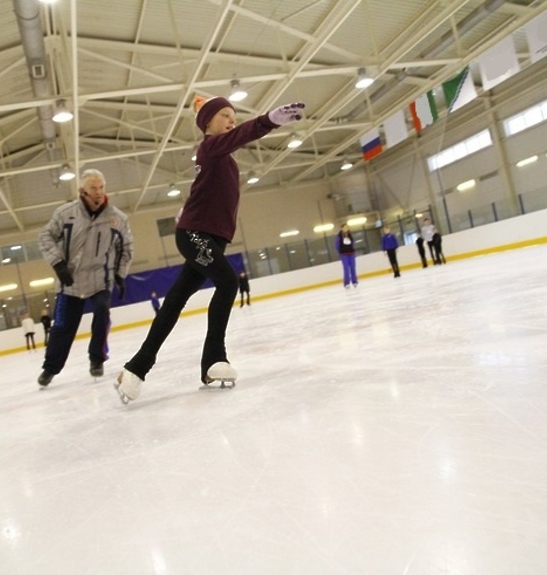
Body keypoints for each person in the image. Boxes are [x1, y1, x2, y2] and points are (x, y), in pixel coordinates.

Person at [115, 97, 306, 404]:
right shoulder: (212, 147)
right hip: (194, 235)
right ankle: (214, 358)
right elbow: (241, 136)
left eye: (233, 116)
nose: (231, 120)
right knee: (228, 282)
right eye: (224, 115)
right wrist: (268, 120)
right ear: (207, 123)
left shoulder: (222, 158)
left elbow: (207, 189)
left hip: (211, 238)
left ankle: (136, 368)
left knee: (175, 300)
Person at [36, 169, 133, 387]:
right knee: (62, 327)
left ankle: (96, 360)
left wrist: (120, 274)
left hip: (101, 279)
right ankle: (50, 368)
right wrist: (58, 264)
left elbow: (126, 248)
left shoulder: (116, 218)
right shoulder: (66, 214)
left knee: (102, 313)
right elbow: (45, 237)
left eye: (101, 188)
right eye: (93, 189)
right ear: (82, 191)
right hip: (70, 282)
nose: (98, 193)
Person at [335, 223, 358, 288]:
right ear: (342, 229)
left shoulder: (350, 235)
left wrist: (352, 250)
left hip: (351, 254)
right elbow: (337, 245)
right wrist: (340, 252)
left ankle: (354, 281)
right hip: (344, 254)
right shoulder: (339, 236)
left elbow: (352, 243)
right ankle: (346, 283)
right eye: (344, 227)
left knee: (353, 267)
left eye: (347, 227)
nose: (346, 229)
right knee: (346, 268)